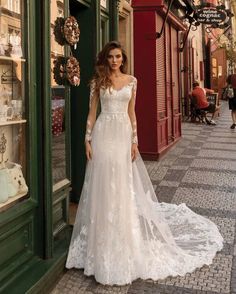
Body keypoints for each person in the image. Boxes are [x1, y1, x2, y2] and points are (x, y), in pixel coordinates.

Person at [66, 41, 223, 285]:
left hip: (122, 135)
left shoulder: (132, 81)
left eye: (118, 56)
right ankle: (100, 243)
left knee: (122, 184)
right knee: (103, 184)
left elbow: (132, 113)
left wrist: (134, 141)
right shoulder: (98, 81)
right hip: (103, 133)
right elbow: (91, 112)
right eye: (111, 57)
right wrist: (87, 140)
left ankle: (124, 239)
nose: (115, 60)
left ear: (123, 58)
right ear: (105, 59)